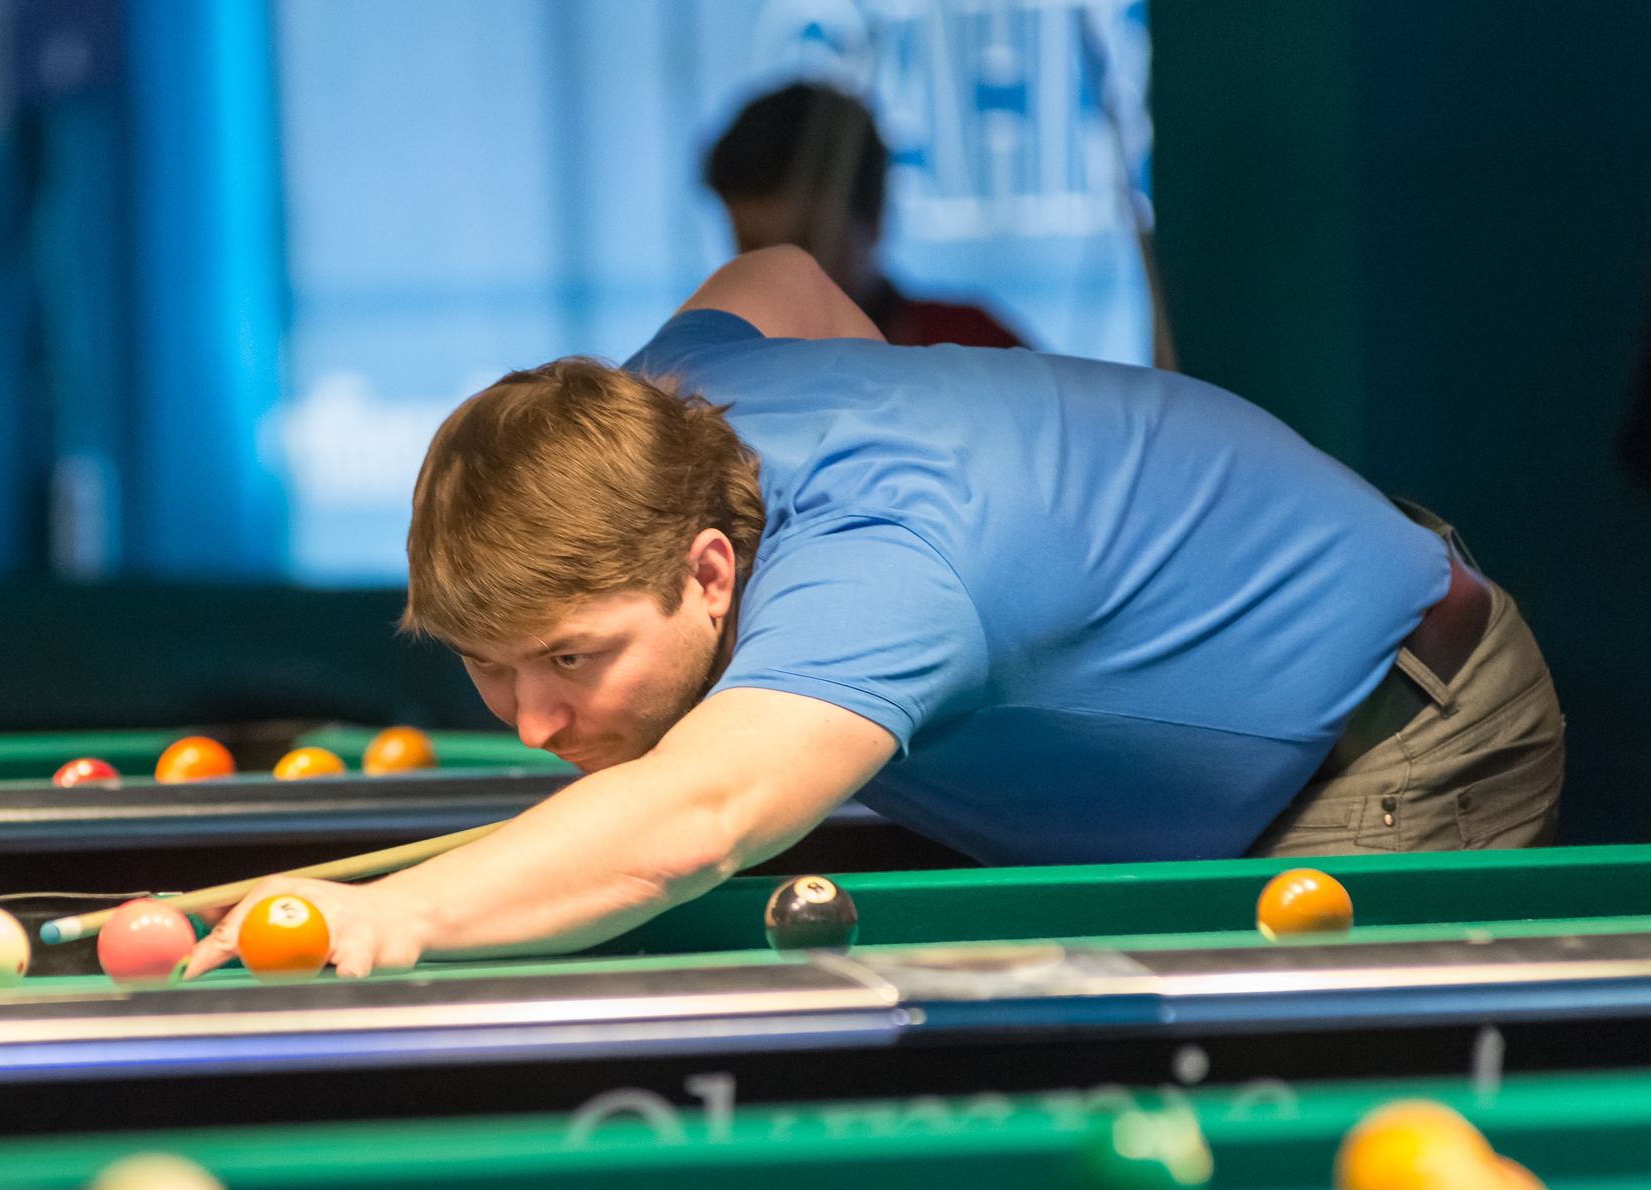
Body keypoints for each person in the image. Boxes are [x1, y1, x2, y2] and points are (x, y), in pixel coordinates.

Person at [183, 246, 1564, 980]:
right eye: (490, 669)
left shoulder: (885, 571)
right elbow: (782, 273)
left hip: (1390, 737)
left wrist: (402, 916)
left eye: (570, 658)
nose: (534, 722)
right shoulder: (670, 411)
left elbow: (695, 820)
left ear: (710, 572)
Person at [705, 83, 1026, 350]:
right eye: (753, 246)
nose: (779, 276)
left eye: (805, 243)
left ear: (874, 221)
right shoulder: (718, 368)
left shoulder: (971, 349)